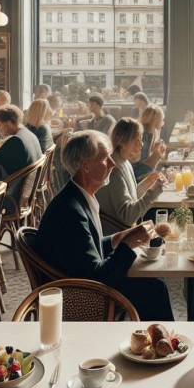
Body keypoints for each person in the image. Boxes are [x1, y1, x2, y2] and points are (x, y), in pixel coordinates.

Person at [36, 131, 173, 320]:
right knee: (155, 289)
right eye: (105, 158)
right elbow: (97, 276)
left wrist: (116, 239)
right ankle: (164, 347)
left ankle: (154, 344)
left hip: (79, 281)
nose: (112, 163)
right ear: (85, 166)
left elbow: (82, 250)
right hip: (77, 296)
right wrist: (128, 245)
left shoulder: (78, 196)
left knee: (153, 284)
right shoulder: (69, 210)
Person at [96, 118, 162, 231]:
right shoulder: (114, 169)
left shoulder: (124, 161)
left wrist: (146, 184)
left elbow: (130, 197)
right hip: (116, 239)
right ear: (122, 141)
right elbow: (128, 217)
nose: (140, 145)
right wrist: (153, 193)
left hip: (125, 234)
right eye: (137, 140)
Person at [0, 104, 43, 179]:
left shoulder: (16, 141)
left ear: (9, 122)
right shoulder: (28, 133)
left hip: (17, 187)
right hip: (31, 183)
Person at [133, 104, 168, 180]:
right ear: (156, 120)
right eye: (162, 120)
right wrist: (156, 156)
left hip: (140, 173)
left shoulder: (146, 132)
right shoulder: (146, 136)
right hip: (137, 176)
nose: (163, 123)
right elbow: (142, 166)